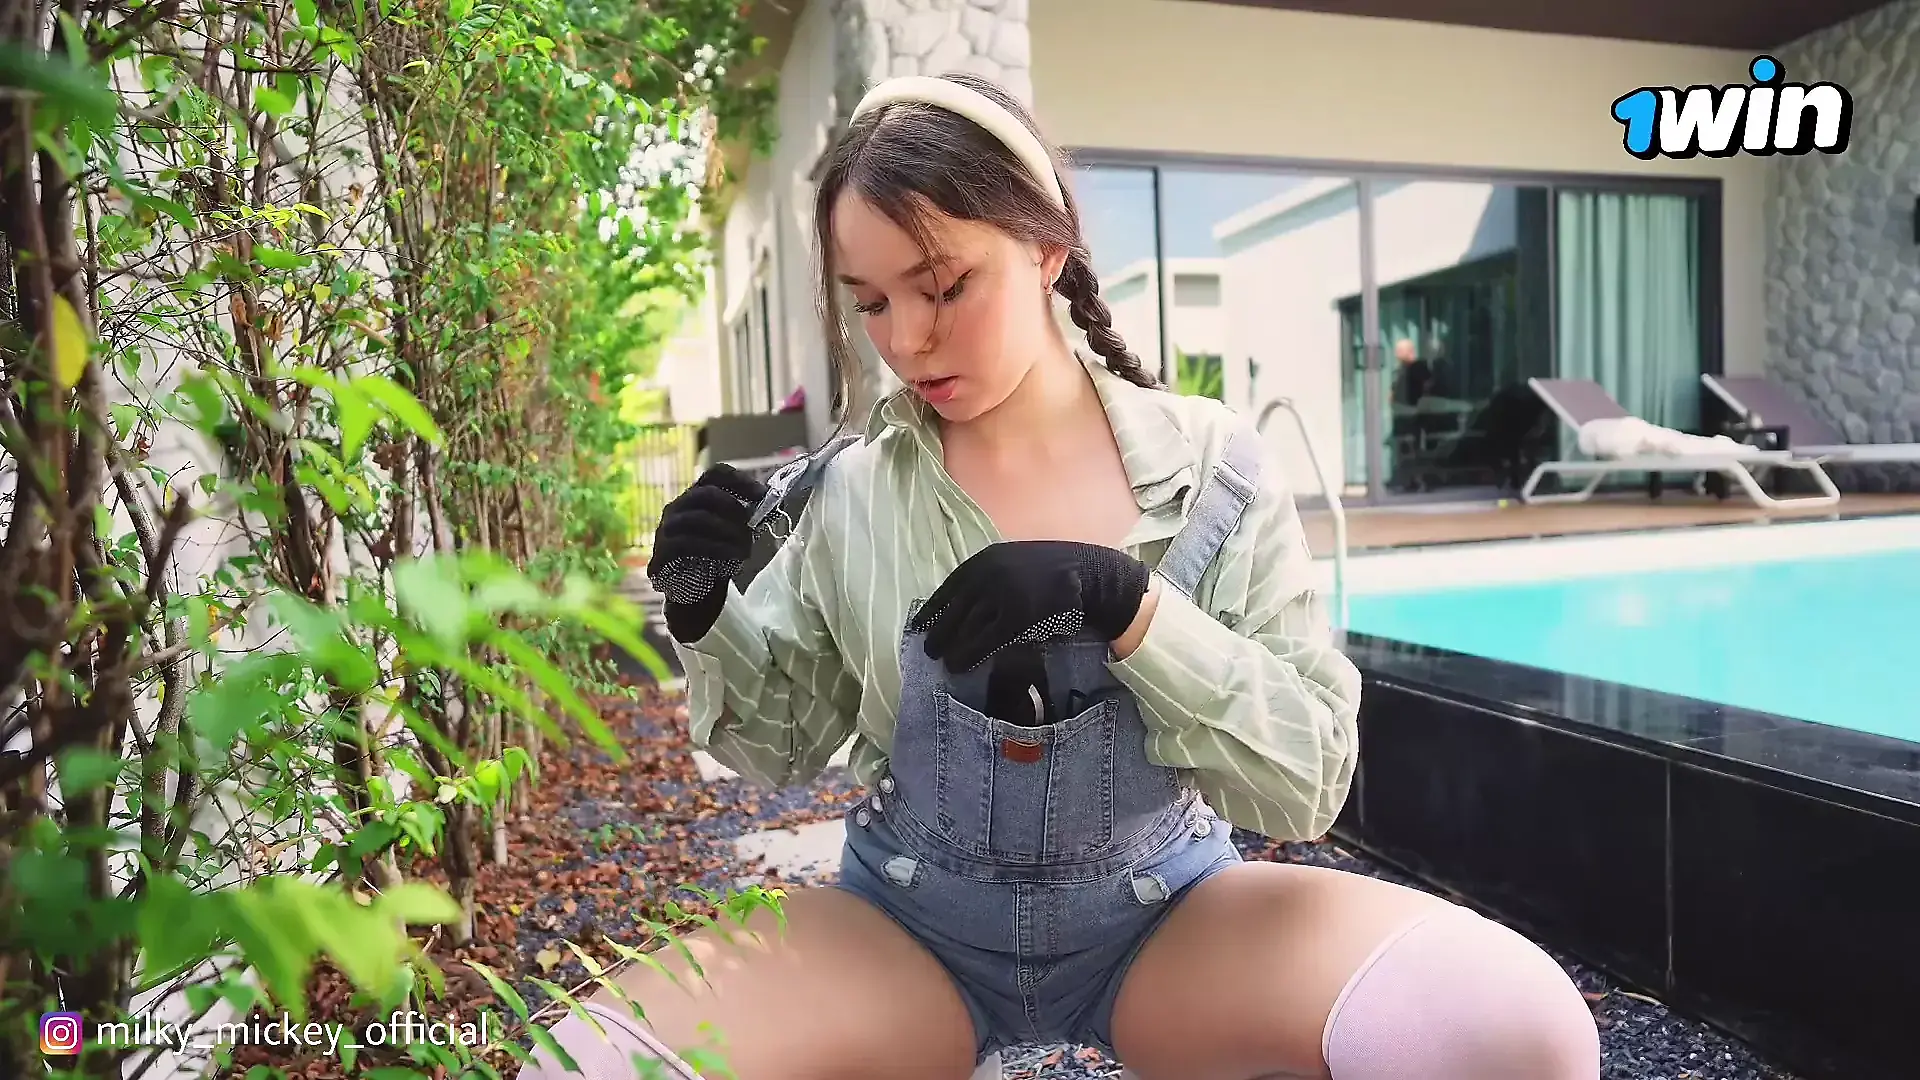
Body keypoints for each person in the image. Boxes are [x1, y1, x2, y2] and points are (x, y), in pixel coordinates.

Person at [520, 73, 1600, 1080]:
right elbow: (784, 746)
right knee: (576, 1064)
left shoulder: (1212, 472)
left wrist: (1130, 608)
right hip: (909, 928)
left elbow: (1308, 784)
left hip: (1167, 922)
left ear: (1047, 249)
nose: (908, 339)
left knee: (1516, 1027)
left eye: (944, 286)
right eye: (872, 302)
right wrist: (705, 608)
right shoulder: (850, 493)